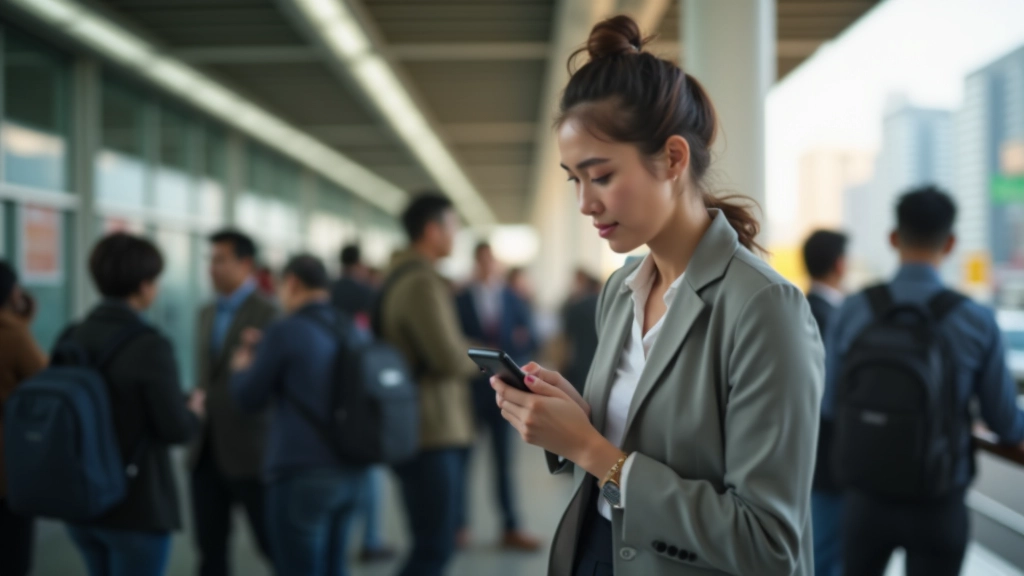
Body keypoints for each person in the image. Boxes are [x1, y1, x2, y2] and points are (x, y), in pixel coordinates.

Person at [489, 16, 824, 576]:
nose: (585, 204)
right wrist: (574, 421)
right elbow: (637, 437)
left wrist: (593, 452)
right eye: (574, 179)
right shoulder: (622, 288)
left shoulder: (763, 307)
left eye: (600, 175)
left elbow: (768, 544)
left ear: (672, 158)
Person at [823, 186, 1024, 576]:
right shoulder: (975, 318)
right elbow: (1004, 421)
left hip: (865, 498)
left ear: (894, 238)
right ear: (950, 243)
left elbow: (829, 404)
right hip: (938, 502)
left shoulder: (853, 309)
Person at [60, 233, 201, 576]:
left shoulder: (72, 335)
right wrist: (194, 410)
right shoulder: (150, 345)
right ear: (143, 285)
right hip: (135, 504)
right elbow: (175, 429)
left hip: (81, 499)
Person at [231, 254, 369, 576]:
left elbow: (248, 398)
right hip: (352, 469)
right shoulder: (352, 327)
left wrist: (241, 369)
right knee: (336, 566)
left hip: (300, 472)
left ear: (291, 282)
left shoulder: (285, 330)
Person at [377, 193, 479, 576]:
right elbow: (448, 358)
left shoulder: (403, 275)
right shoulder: (421, 282)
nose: (456, 235)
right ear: (432, 230)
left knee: (430, 541)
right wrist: (487, 356)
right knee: (435, 546)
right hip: (431, 428)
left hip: (417, 423)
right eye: (453, 227)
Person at [189, 230, 277, 576]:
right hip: (205, 447)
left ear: (246, 264)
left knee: (271, 544)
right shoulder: (205, 313)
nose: (212, 268)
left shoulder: (270, 313)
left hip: (252, 449)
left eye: (220, 260)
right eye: (210, 260)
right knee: (210, 549)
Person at [454, 242, 541, 551]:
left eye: (492, 260)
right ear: (476, 263)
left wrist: (520, 343)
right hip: (469, 391)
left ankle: (511, 526)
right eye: (482, 261)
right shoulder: (460, 297)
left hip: (504, 389)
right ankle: (459, 525)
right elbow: (454, 339)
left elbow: (531, 333)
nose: (488, 266)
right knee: (463, 461)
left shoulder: (511, 297)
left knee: (503, 463)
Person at [801, 230, 848, 576]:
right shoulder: (837, 319)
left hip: (804, 454)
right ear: (840, 264)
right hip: (831, 461)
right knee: (827, 554)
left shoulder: (797, 307)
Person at [0, 261, 47, 576]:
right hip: (5, 468)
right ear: (11, 292)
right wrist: (21, 323)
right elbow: (44, 380)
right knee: (12, 556)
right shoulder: (13, 334)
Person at [561, 269, 602, 394]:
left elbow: (565, 340)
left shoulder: (574, 307)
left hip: (578, 362)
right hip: (600, 363)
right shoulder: (603, 304)